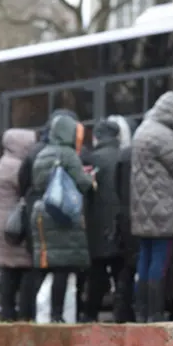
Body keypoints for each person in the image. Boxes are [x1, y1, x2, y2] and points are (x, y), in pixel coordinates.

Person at [29, 115, 94, 322]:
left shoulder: (42, 154)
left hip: (42, 211)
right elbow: (82, 183)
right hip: (63, 213)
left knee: (51, 264)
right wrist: (91, 179)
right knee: (63, 267)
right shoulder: (67, 154)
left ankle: (45, 314)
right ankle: (58, 315)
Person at [130, 91, 173, 322]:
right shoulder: (163, 136)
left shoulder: (143, 130)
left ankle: (142, 311)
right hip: (162, 212)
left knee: (144, 260)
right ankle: (155, 313)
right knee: (160, 260)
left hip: (142, 212)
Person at [0, 128, 36, 321]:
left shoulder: (3, 162)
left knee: (7, 268)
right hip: (16, 224)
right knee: (26, 268)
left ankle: (7, 314)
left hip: (0, 222)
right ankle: (24, 315)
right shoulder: (16, 166)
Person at [83, 119, 124, 322]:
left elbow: (86, 192)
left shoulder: (92, 159)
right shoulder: (123, 156)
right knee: (120, 271)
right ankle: (123, 315)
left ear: (97, 136)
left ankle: (91, 315)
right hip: (120, 223)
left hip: (96, 224)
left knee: (97, 273)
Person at [112, 115, 139, 323]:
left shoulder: (123, 156)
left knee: (127, 267)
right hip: (142, 215)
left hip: (125, 216)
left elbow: (116, 187)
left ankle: (122, 312)